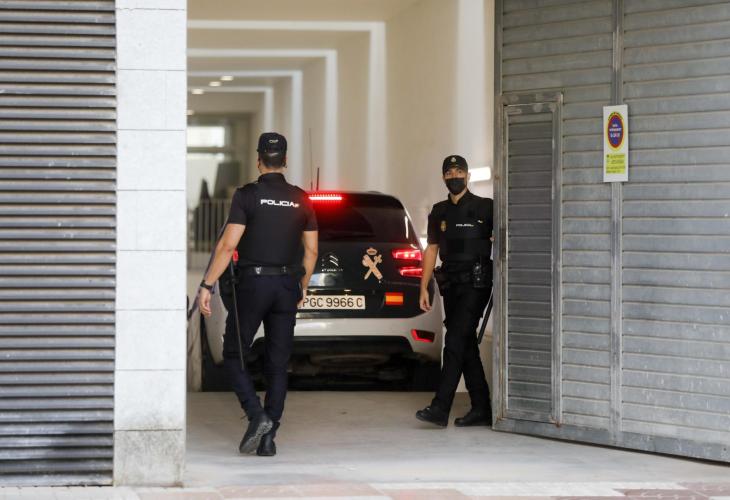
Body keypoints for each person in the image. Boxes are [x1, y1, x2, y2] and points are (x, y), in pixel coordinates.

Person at [198, 132, 318, 456]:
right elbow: (311, 250)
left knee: (234, 354)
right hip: (287, 286)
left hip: (253, 286)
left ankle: (256, 415)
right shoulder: (302, 199)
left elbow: (228, 245)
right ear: (286, 160)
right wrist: (302, 285)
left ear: (258, 160)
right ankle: (268, 438)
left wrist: (207, 285)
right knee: (277, 364)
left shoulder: (247, 195)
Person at [416, 154, 493, 428]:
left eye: (459, 171)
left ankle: (440, 407)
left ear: (468, 175)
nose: (454, 176)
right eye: (449, 173)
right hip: (451, 284)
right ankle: (481, 408)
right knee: (466, 345)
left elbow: (506, 240)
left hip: (476, 285)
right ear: (443, 177)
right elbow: (432, 249)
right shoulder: (439, 211)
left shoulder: (486, 207)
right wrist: (424, 286)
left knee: (455, 341)